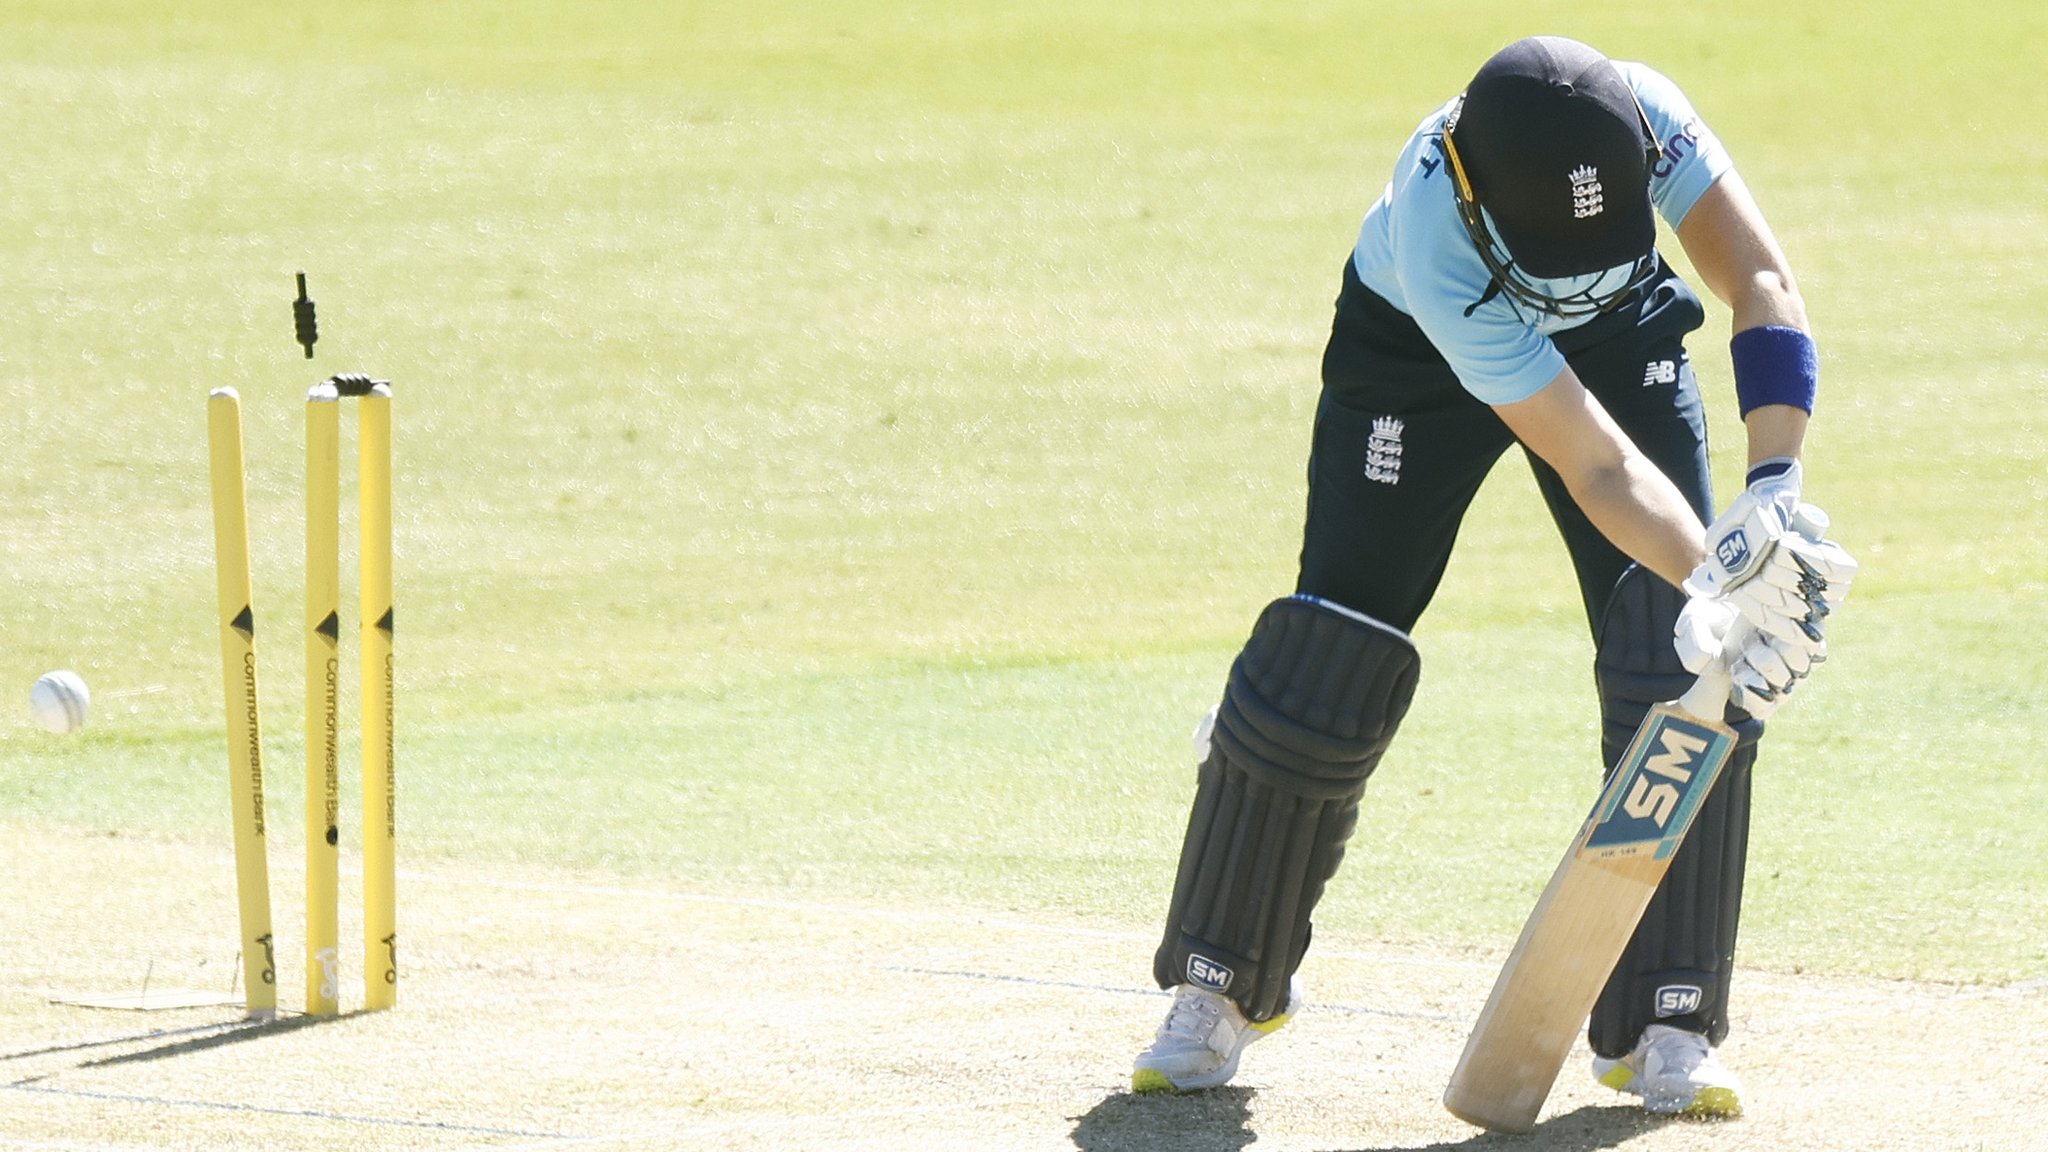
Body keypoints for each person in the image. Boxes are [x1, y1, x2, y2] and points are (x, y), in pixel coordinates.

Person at [1129, 35, 1856, 1119]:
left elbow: (1756, 279)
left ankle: (1666, 1017)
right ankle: (1217, 988)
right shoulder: (1439, 239)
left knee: (1675, 647)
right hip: (1416, 354)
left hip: (1621, 336)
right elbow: (1597, 465)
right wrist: (1726, 573)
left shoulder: (1644, 115)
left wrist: (1770, 492)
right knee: (1325, 663)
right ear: (1480, 204)